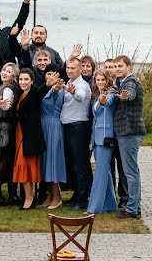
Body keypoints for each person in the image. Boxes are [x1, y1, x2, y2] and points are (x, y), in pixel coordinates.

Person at [113, 54, 145, 219]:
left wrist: (125, 96)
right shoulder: (119, 82)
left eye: (121, 66)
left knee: (130, 173)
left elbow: (130, 93)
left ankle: (132, 210)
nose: (118, 69)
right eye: (116, 66)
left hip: (130, 132)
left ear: (128, 67)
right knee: (131, 172)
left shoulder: (130, 82)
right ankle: (134, 207)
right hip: (125, 132)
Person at [14, 68, 49, 210]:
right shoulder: (20, 94)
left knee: (25, 167)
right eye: (21, 79)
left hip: (29, 136)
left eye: (26, 79)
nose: (23, 82)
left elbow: (40, 91)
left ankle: (29, 198)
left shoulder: (33, 93)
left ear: (32, 81)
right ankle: (28, 197)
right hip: (19, 133)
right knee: (22, 166)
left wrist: (47, 85)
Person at [62, 51, 93, 210]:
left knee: (80, 164)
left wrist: (73, 93)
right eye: (68, 68)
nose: (69, 70)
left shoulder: (82, 85)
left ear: (80, 70)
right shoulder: (68, 82)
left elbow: (80, 96)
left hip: (78, 127)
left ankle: (82, 200)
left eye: (72, 68)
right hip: (68, 126)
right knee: (72, 164)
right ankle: (76, 195)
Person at [88, 69, 118, 215]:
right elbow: (95, 120)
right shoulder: (96, 96)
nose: (100, 82)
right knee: (104, 171)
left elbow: (109, 102)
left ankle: (94, 207)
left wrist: (104, 101)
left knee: (99, 173)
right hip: (97, 139)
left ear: (107, 81)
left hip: (106, 138)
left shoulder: (110, 93)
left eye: (102, 80)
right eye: (97, 80)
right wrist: (91, 140)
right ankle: (111, 204)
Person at [0, 63, 20, 206]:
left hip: (3, 128)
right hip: (4, 127)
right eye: (3, 70)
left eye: (8, 71)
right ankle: (11, 194)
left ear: (14, 76)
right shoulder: (2, 87)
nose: (4, 73)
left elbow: (7, 105)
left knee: (0, 162)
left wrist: (4, 106)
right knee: (5, 162)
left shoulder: (7, 89)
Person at [40, 63, 66, 209]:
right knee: (45, 162)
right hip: (43, 126)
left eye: (54, 74)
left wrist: (55, 88)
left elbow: (56, 94)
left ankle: (57, 197)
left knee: (53, 162)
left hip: (54, 126)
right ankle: (49, 195)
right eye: (48, 74)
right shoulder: (44, 87)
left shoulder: (59, 89)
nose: (50, 76)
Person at [103, 58, 128, 208]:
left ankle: (124, 199)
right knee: (108, 166)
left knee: (123, 167)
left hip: (121, 131)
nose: (109, 70)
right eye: (106, 67)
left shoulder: (120, 85)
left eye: (111, 67)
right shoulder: (102, 86)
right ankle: (111, 197)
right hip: (107, 133)